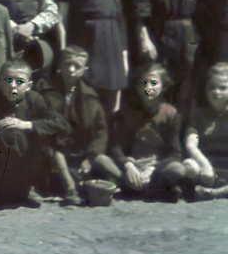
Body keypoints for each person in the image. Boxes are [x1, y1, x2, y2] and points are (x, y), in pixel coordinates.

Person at [0, 58, 68, 210]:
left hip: (28, 161)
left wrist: (28, 125)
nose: (13, 86)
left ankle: (26, 190)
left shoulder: (35, 99)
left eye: (19, 82)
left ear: (29, 86)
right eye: (8, 80)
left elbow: (60, 124)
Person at [39, 45, 121, 200]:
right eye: (68, 64)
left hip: (81, 153)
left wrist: (90, 158)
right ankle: (71, 189)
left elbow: (100, 131)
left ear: (84, 69)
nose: (71, 70)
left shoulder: (90, 97)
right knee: (58, 158)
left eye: (77, 66)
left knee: (103, 161)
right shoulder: (46, 92)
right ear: (60, 66)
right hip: (53, 153)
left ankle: (121, 183)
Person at [111, 63, 190, 200]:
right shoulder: (126, 113)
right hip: (131, 167)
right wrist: (127, 164)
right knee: (103, 161)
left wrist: (153, 168)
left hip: (155, 168)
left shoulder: (170, 114)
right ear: (137, 86)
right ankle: (151, 190)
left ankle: (143, 189)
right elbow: (115, 146)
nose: (148, 88)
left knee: (178, 169)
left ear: (163, 86)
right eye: (144, 83)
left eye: (154, 83)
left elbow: (175, 153)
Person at [183, 62, 228, 199]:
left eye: (222, 88)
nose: (216, 92)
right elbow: (191, 144)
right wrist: (204, 164)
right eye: (212, 87)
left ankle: (215, 193)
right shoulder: (198, 115)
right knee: (188, 166)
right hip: (206, 168)